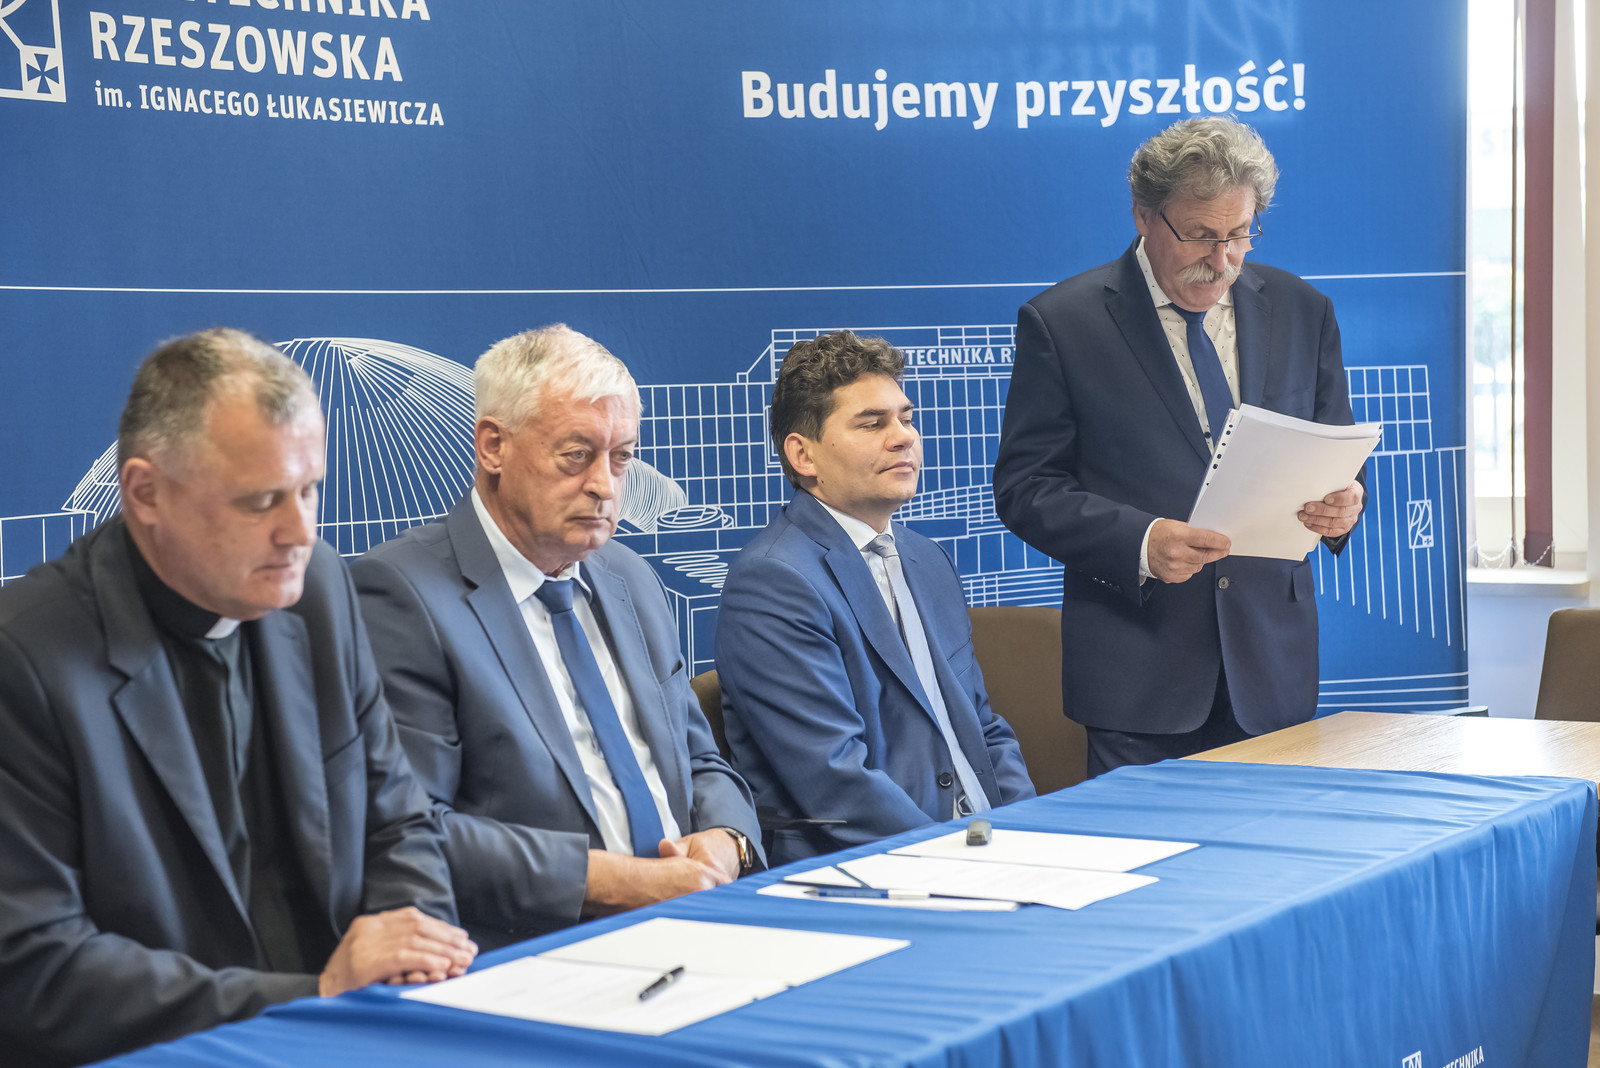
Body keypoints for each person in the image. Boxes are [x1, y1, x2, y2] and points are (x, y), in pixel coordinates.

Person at [0, 329, 475, 1068]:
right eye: (260, 502)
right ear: (146, 493)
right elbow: (37, 966)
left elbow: (397, 822)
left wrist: (406, 950)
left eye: (310, 490)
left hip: (358, 1032)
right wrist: (315, 998)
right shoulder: (24, 659)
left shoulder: (319, 588)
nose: (300, 531)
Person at [352, 324, 762, 951]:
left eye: (621, 457)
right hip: (539, 946)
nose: (605, 485)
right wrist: (620, 883)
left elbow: (700, 760)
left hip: (697, 916)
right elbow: (412, 830)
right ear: (493, 446)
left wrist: (728, 841)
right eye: (576, 454)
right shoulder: (401, 593)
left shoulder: (630, 578)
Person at [993, 116, 1365, 777]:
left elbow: (1339, 450)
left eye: (1238, 234)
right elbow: (1027, 489)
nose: (1221, 260)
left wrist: (1346, 505)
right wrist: (1140, 542)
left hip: (1271, 671)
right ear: (1144, 216)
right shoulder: (1063, 324)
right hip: (1138, 679)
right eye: (1199, 234)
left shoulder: (1303, 310)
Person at [716, 331, 1035, 866]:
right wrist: (962, 862)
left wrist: (1029, 832)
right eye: (872, 423)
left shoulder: (927, 559)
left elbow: (982, 727)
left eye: (906, 419)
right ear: (803, 454)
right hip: (870, 868)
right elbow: (835, 778)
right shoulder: (774, 581)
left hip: (983, 849)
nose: (903, 437)